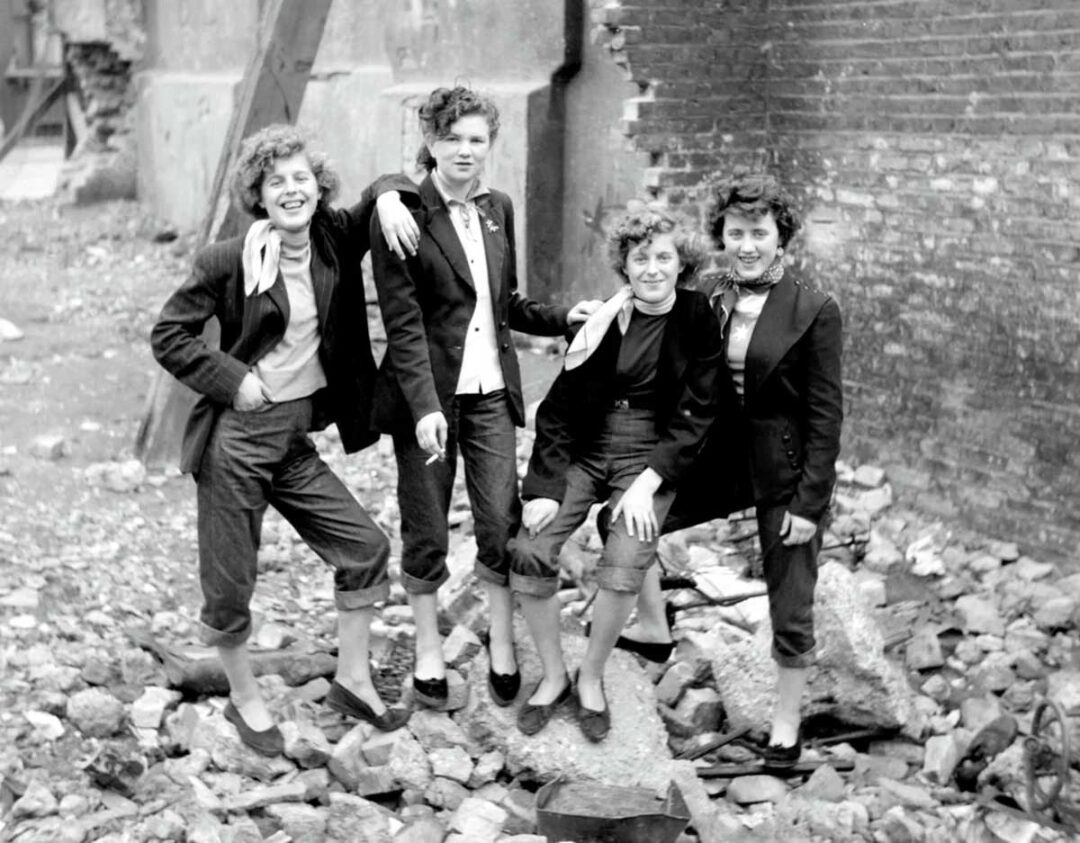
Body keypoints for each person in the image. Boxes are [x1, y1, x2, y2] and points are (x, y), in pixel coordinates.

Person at [151, 124, 422, 755]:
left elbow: (389, 184)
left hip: (294, 440)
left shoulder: (333, 238)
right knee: (230, 586)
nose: (291, 190)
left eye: (302, 178)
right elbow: (169, 336)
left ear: (319, 187)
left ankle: (353, 680)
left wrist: (387, 199)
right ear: (259, 194)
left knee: (364, 548)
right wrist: (232, 379)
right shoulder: (227, 259)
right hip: (237, 442)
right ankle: (244, 696)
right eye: (276, 181)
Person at [368, 86, 598, 711]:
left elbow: (505, 303)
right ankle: (427, 648)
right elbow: (403, 324)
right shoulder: (403, 213)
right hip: (429, 399)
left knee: (500, 519)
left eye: (477, 139)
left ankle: (500, 639)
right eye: (452, 139)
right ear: (431, 142)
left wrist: (563, 318)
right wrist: (424, 408)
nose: (465, 151)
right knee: (426, 523)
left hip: (492, 392)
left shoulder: (498, 208)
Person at [605, 170, 844, 767]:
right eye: (735, 233)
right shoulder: (708, 292)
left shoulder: (814, 309)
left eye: (759, 233)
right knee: (626, 516)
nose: (747, 245)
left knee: (791, 598)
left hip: (783, 471)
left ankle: (786, 725)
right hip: (714, 458)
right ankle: (654, 628)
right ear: (722, 236)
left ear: (780, 236)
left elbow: (825, 415)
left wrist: (810, 504)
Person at [506, 204, 725, 742]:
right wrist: (543, 489)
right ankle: (554, 674)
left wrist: (649, 482)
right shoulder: (604, 319)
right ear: (624, 265)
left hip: (650, 454)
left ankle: (591, 675)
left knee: (627, 556)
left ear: (682, 263)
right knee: (531, 548)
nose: (652, 269)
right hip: (587, 446)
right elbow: (558, 411)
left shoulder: (698, 316)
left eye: (663, 258)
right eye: (640, 258)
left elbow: (698, 412)